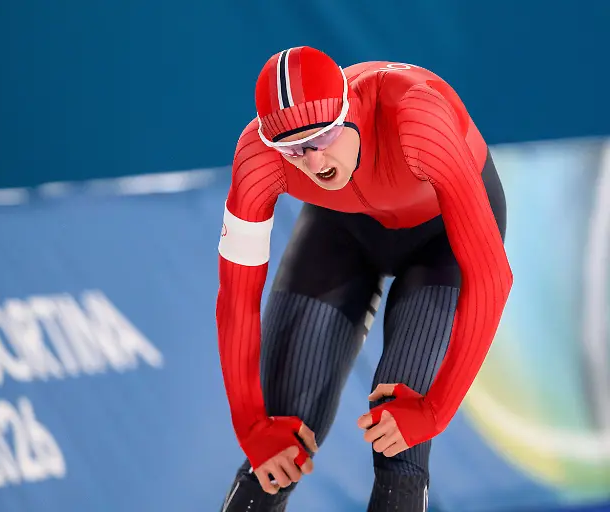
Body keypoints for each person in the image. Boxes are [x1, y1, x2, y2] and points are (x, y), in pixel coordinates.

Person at [215, 46, 513, 512]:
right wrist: (251, 427)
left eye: (323, 137)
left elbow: (491, 277)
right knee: (277, 444)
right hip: (342, 230)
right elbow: (237, 297)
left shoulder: (417, 118)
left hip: (440, 238)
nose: (314, 161)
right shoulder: (258, 157)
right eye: (293, 150)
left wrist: (434, 412)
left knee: (399, 438)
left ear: (347, 109)